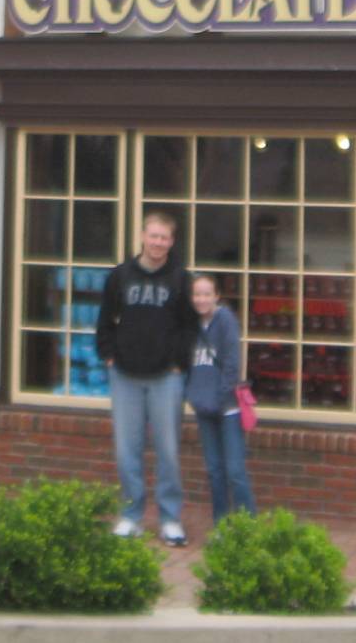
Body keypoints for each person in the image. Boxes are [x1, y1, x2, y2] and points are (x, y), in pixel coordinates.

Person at [95, 210, 195, 545]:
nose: (158, 243)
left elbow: (189, 327)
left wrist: (180, 363)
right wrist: (109, 355)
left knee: (168, 450)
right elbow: (105, 320)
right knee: (127, 450)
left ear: (172, 241)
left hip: (166, 377)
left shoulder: (181, 279)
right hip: (124, 375)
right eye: (153, 236)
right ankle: (130, 515)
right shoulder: (120, 276)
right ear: (142, 236)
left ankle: (169, 519)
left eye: (164, 238)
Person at [185, 272, 256, 523]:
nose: (201, 299)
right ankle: (221, 525)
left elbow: (231, 363)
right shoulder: (190, 324)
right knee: (214, 471)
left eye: (206, 294)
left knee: (235, 470)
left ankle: (248, 527)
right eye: (196, 294)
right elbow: (186, 364)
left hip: (227, 409)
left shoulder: (225, 320)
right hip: (203, 407)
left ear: (216, 296)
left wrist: (222, 396)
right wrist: (192, 396)